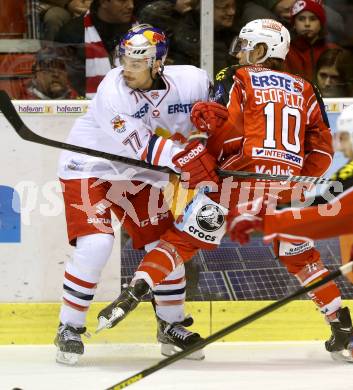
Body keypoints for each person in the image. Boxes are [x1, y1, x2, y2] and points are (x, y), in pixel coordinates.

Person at [97, 18, 353, 362]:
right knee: (301, 257)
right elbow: (321, 151)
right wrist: (292, 178)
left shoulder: (235, 76)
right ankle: (342, 325)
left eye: (248, 46)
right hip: (284, 188)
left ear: (262, 49)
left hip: (235, 183)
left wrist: (208, 162)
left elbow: (223, 129)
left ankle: (134, 292)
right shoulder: (308, 88)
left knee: (183, 241)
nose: (242, 52)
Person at [55, 23, 215, 365]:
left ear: (158, 63)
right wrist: (188, 157)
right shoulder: (112, 92)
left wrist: (210, 135)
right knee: (97, 243)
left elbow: (218, 115)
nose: (127, 68)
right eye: (124, 59)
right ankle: (68, 326)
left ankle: (171, 326)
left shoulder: (193, 81)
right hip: (89, 165)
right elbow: (143, 147)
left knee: (164, 246)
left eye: (137, 62)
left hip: (139, 174)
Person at [227, 105, 353, 361]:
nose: (340, 146)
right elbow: (326, 210)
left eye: (344, 138)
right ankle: (341, 326)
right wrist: (270, 218)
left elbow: (328, 215)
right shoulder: (347, 173)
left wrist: (267, 220)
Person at [54, 0, 135, 98]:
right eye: (123, 1)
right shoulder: (72, 34)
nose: (131, 5)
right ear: (103, 2)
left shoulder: (144, 33)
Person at [285, 0, 339, 82]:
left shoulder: (335, 51)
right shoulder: (285, 52)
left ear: (321, 24)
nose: (307, 23)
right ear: (294, 25)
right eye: (301, 19)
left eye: (313, 19)